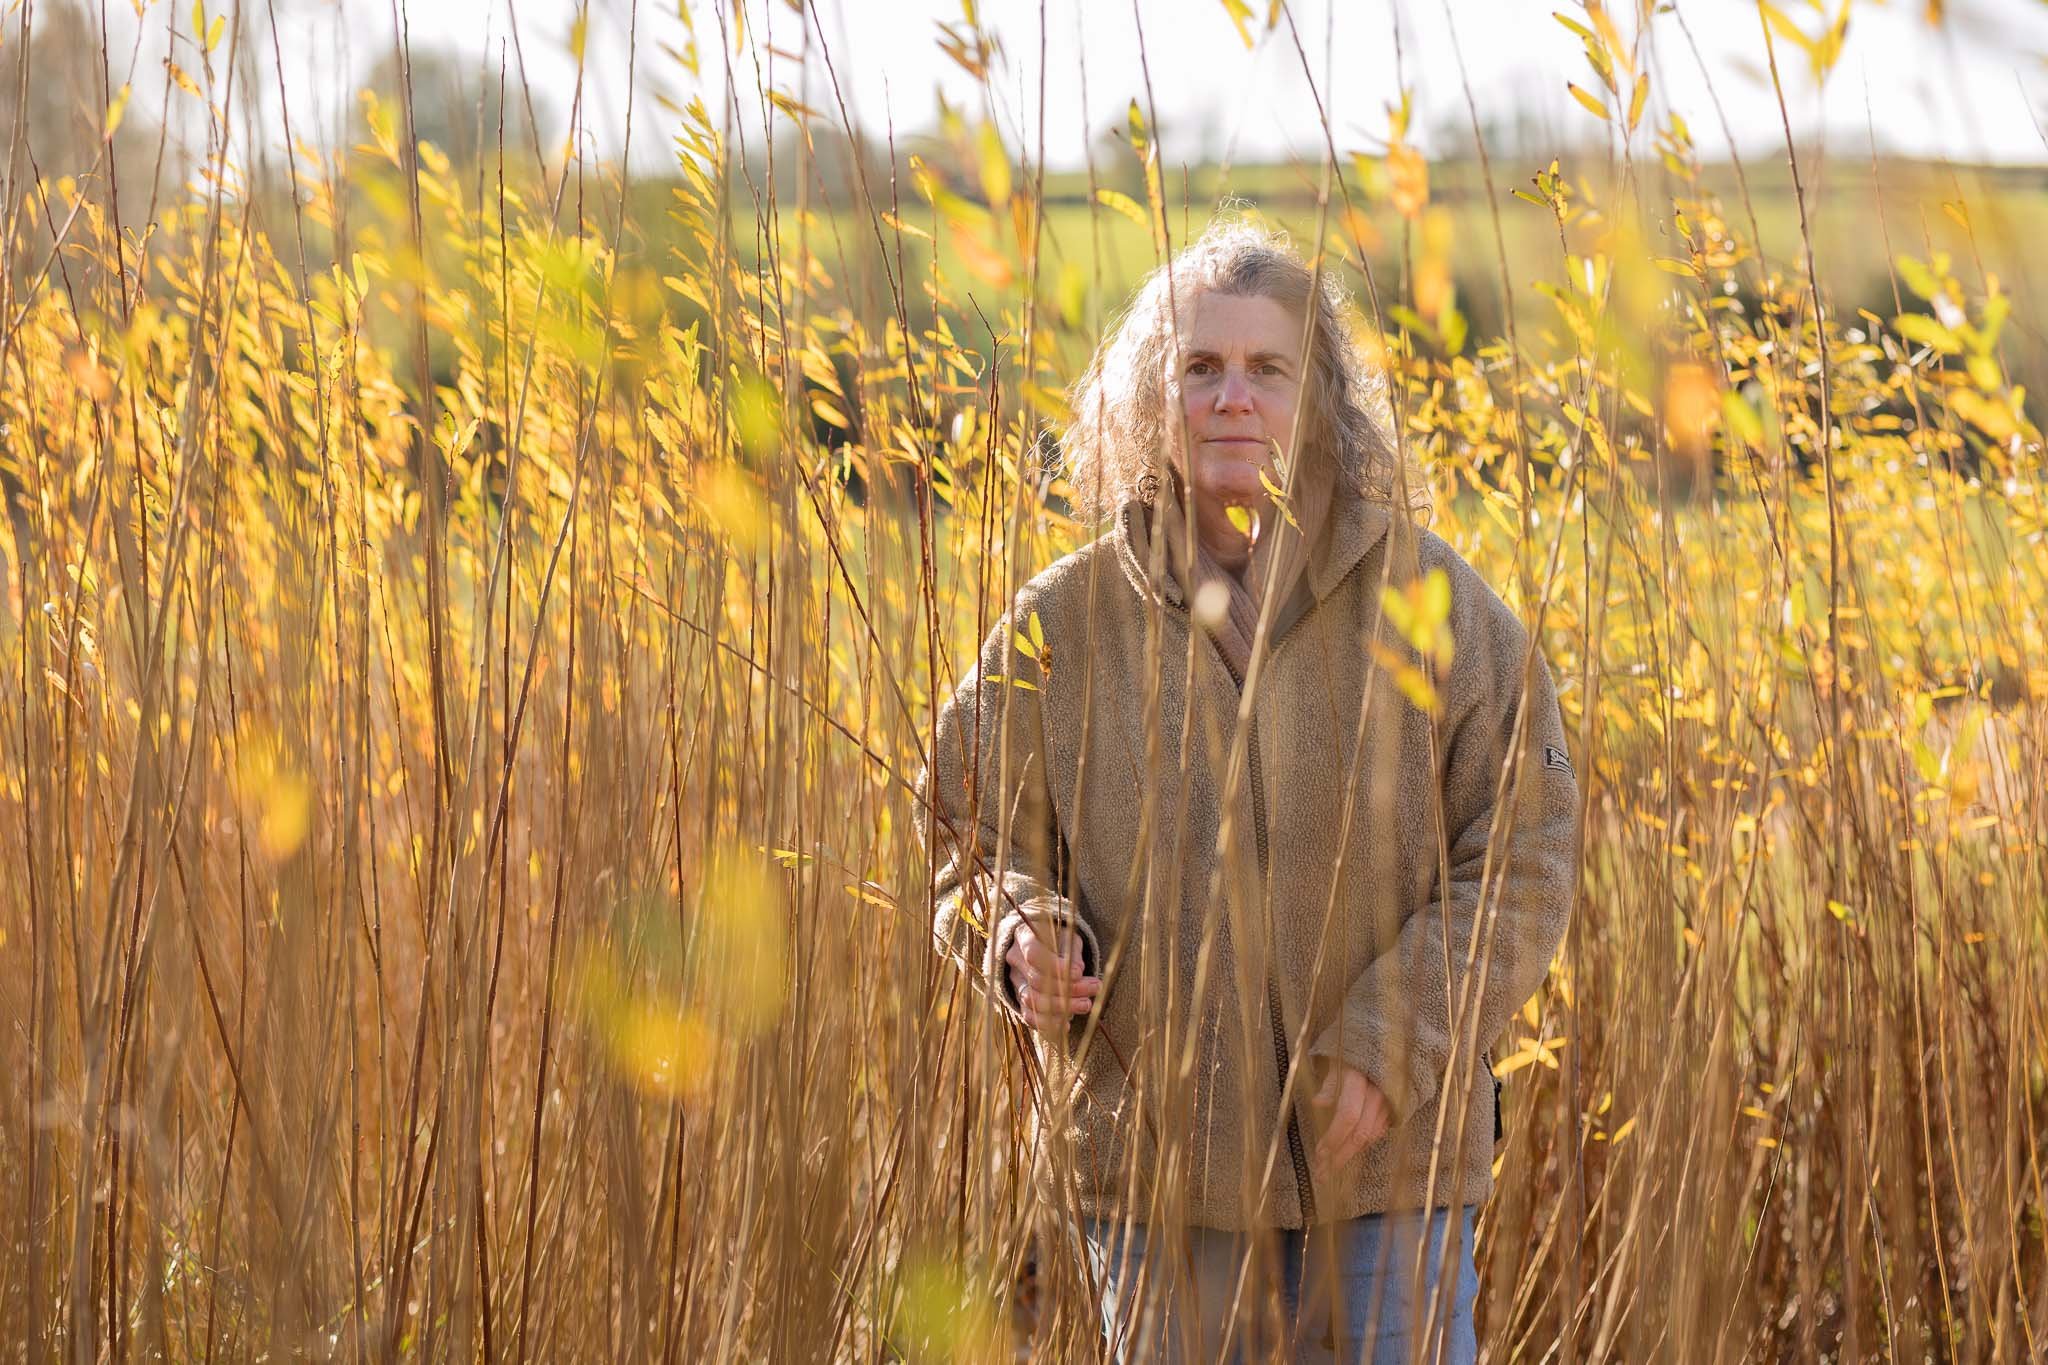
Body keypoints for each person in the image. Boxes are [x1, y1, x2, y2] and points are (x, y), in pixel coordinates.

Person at [916, 219, 1579, 1363]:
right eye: (1200, 367)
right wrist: (1019, 928)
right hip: (1157, 1189)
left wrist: (1390, 1037)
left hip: (1389, 1181)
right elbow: (964, 831)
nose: (1232, 398)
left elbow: (1528, 847)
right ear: (1149, 399)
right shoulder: (1063, 623)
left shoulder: (1429, 601)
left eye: (1266, 368)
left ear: (1316, 400)